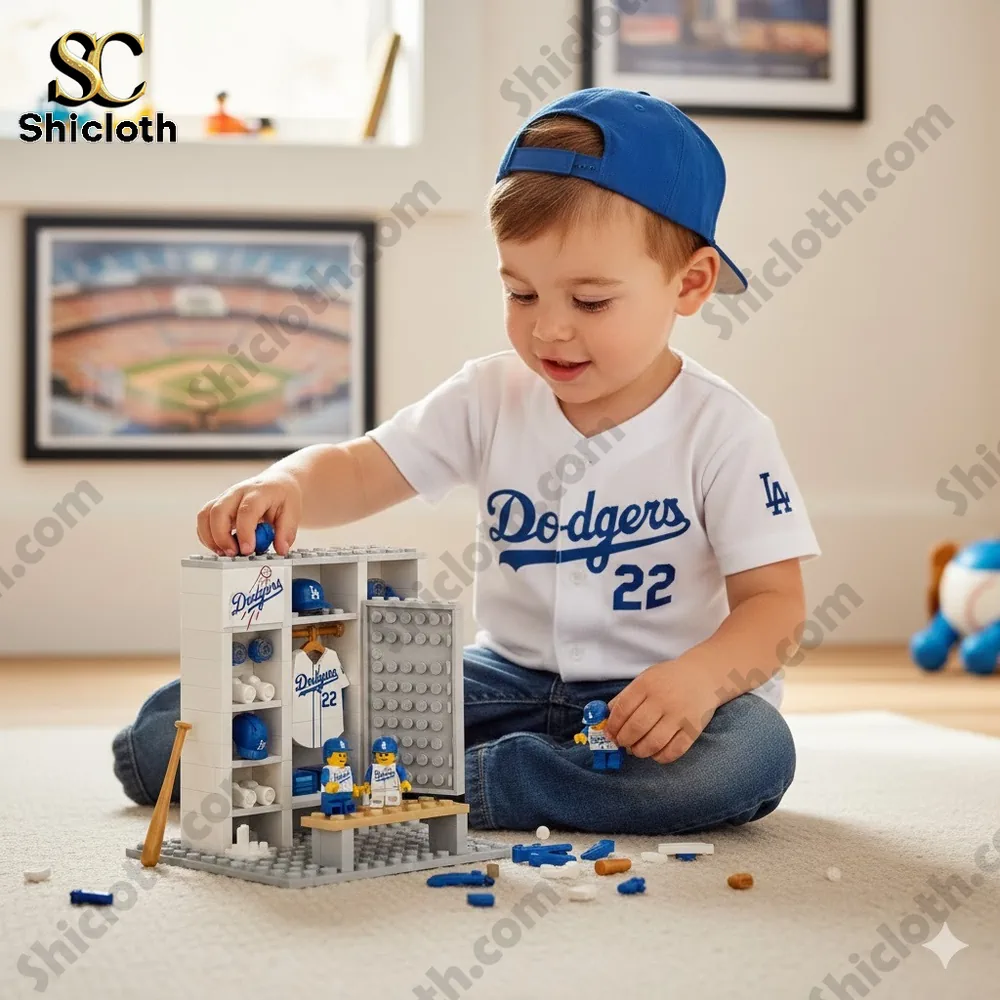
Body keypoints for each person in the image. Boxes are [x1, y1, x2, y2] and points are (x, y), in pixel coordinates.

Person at [113, 88, 820, 834]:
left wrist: (701, 679)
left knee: (751, 755)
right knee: (165, 737)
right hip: (499, 684)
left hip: (649, 707)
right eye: (521, 293)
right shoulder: (489, 394)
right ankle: (432, 775)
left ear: (690, 283)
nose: (548, 329)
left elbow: (775, 607)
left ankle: (469, 785)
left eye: (590, 302)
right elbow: (362, 468)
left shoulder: (725, 430)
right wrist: (286, 481)